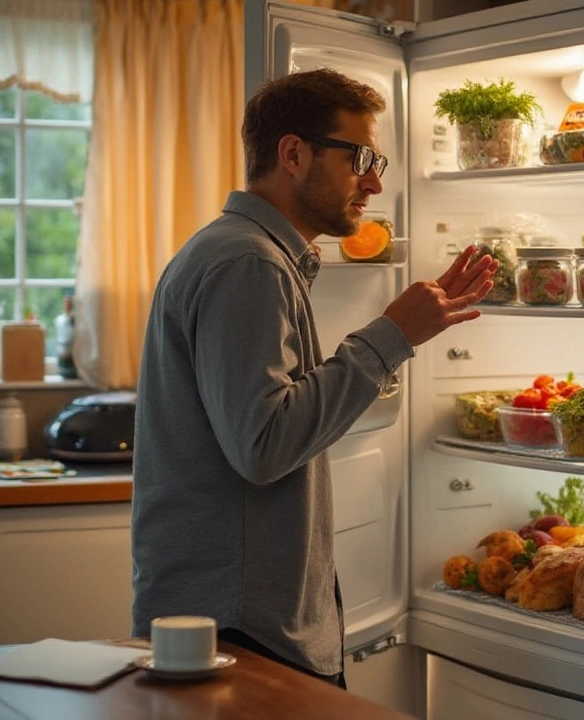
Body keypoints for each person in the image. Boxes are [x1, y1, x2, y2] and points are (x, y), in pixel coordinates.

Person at [130, 68, 495, 688]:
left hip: (235, 618)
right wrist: (391, 336)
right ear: (293, 154)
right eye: (359, 158)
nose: (375, 182)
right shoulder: (248, 262)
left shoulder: (246, 254)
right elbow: (264, 445)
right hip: (240, 629)